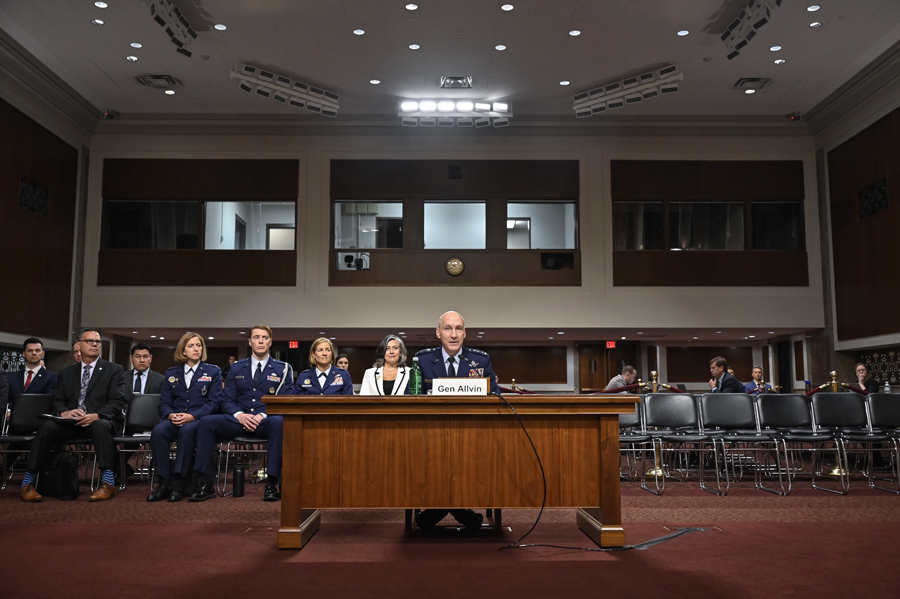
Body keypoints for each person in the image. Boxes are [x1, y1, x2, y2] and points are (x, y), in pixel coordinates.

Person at [413, 311, 499, 532]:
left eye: (458, 329)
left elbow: (495, 397)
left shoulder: (480, 359)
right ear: (438, 332)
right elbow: (412, 397)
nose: (453, 334)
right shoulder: (422, 359)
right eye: (448, 329)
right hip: (431, 438)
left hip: (473, 437)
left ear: (465, 333)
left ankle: (437, 512)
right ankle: (462, 514)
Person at [20, 328, 126, 502]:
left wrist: (97, 415)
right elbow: (56, 401)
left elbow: (118, 401)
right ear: (78, 344)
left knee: (100, 426)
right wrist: (64, 412)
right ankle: (28, 481)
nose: (94, 344)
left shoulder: (113, 370)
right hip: (71, 423)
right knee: (48, 427)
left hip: (98, 421)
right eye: (89, 341)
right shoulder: (66, 373)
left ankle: (107, 482)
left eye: (97, 342)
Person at [189, 325, 293, 502]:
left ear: (270, 342)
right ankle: (205, 484)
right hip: (238, 420)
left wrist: (263, 415)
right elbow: (226, 399)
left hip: (264, 421)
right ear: (250, 341)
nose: (260, 341)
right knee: (206, 422)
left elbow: (286, 398)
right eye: (257, 337)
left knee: (279, 422)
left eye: (265, 338)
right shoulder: (236, 368)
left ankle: (271, 484)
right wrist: (239, 415)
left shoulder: (283, 368)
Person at [147, 334, 222, 502]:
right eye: (191, 346)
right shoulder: (172, 373)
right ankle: (164, 483)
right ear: (183, 350)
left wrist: (193, 416)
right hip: (174, 418)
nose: (196, 349)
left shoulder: (212, 371)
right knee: (158, 431)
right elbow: (164, 403)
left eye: (198, 345)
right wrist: (170, 414)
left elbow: (215, 402)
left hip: (197, 420)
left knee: (187, 431)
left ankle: (179, 484)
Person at [8, 337, 58, 405]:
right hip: (12, 414)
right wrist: (8, 411)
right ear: (24, 354)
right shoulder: (11, 377)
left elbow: (49, 402)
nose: (34, 353)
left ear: (43, 353)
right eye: (30, 350)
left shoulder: (52, 378)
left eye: (37, 350)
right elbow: (5, 399)